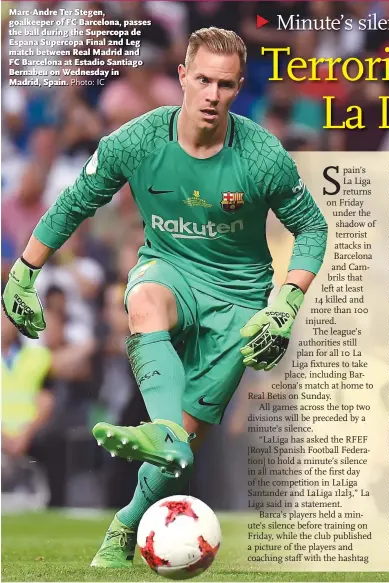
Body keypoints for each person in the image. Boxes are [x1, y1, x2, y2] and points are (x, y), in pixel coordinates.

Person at [2, 27, 328, 567]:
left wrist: (286, 303)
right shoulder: (137, 140)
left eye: (225, 85)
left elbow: (311, 228)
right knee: (144, 297)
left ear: (238, 87)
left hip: (239, 301)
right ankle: (163, 430)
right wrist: (24, 269)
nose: (212, 95)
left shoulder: (263, 155)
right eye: (202, 79)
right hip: (170, 268)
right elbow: (76, 202)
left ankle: (127, 523)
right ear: (181, 77)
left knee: (183, 445)